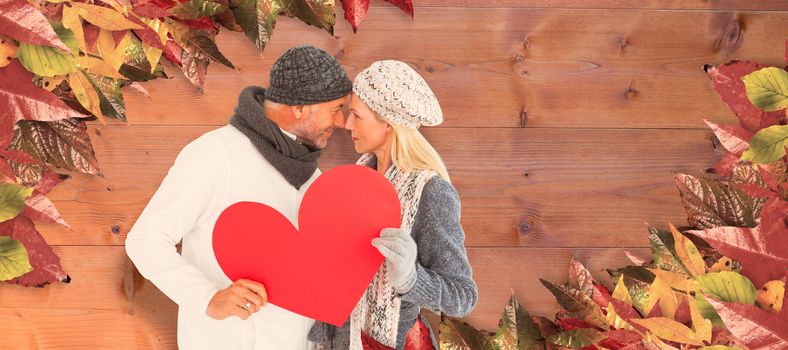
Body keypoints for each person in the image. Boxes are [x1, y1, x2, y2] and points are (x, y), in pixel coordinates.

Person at [125, 45, 352, 350]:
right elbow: (145, 240)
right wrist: (207, 298)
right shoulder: (215, 155)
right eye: (336, 108)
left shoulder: (311, 174)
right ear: (300, 108)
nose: (341, 123)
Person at [309, 60, 478, 350]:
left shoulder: (431, 193)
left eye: (357, 116)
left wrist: (410, 278)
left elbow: (462, 297)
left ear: (388, 125)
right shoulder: (354, 184)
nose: (347, 124)